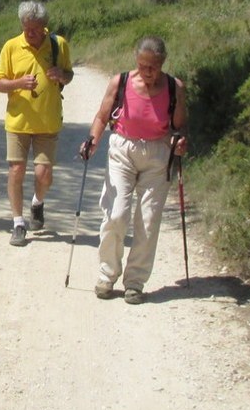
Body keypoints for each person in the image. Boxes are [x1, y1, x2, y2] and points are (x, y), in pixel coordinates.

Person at [79, 35, 188, 304]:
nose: (147, 72)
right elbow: (102, 116)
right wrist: (92, 141)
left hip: (157, 154)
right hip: (122, 149)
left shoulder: (175, 87)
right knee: (116, 214)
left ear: (162, 63)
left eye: (152, 66)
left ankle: (135, 282)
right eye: (142, 65)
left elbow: (179, 126)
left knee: (148, 220)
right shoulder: (121, 82)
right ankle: (107, 274)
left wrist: (181, 142)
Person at [0, 1, 74, 246]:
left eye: (36, 29)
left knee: (44, 174)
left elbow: (69, 74)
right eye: (27, 29)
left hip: (48, 120)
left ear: (44, 27)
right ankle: (18, 223)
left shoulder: (58, 44)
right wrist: (18, 84)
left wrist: (62, 75)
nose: (31, 34)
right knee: (16, 170)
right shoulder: (11, 46)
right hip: (18, 121)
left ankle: (37, 203)